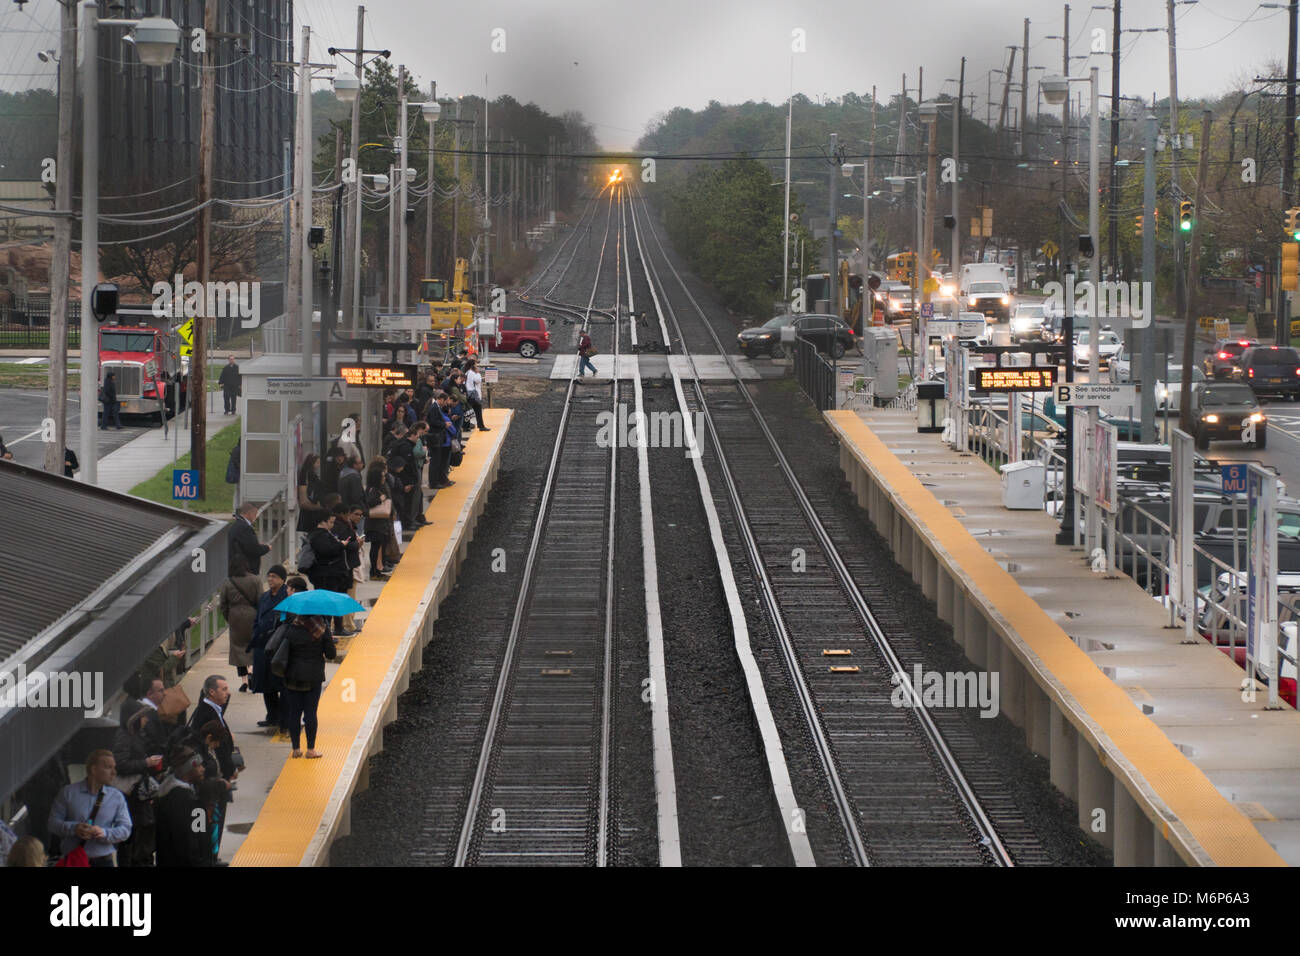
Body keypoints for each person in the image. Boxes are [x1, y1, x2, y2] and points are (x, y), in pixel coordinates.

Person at [47, 750, 132, 867]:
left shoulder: (116, 797)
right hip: (74, 860)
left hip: (103, 860)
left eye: (114, 767)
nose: (114, 772)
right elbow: (53, 823)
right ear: (93, 769)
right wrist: (74, 828)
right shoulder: (68, 793)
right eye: (108, 767)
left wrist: (104, 833)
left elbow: (126, 829)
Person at [111, 703, 165, 867]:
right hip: (132, 796)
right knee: (134, 836)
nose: (146, 720)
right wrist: (146, 762)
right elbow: (121, 764)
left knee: (141, 833)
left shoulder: (136, 735)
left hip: (137, 794)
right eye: (143, 716)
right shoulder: (125, 737)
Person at [280, 615, 336, 758]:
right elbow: (331, 654)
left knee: (294, 713)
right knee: (310, 712)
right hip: (313, 676)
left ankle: (296, 749)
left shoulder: (292, 627)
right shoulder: (321, 629)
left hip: (293, 676)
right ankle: (311, 749)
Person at [154, 747, 210, 867]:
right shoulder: (184, 799)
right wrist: (200, 861)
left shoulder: (171, 792)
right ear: (187, 770)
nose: (203, 769)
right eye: (198, 766)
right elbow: (190, 837)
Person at [249, 564, 289, 730]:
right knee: (265, 683)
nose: (270, 579)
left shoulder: (287, 596)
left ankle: (284, 717)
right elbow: (258, 618)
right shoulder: (264, 597)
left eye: (274, 576)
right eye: (269, 576)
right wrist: (256, 633)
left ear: (282, 579)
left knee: (280, 683)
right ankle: (272, 715)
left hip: (278, 646)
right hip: (262, 646)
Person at [219, 553, 261, 691]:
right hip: (252, 615)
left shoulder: (228, 582)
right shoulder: (255, 580)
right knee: (253, 645)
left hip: (235, 617)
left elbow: (223, 604)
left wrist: (229, 617)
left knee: (238, 648)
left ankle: (244, 681)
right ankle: (252, 670)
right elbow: (261, 600)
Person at [307, 511, 352, 633]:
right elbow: (326, 551)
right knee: (327, 605)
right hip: (325, 576)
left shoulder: (325, 534)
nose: (332, 525)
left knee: (334, 602)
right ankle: (326, 632)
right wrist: (341, 545)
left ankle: (338, 628)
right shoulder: (318, 536)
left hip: (331, 575)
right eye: (330, 522)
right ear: (322, 522)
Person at [364, 459, 393, 578]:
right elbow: (369, 503)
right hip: (375, 525)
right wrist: (380, 500)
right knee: (375, 548)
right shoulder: (374, 490)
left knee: (377, 547)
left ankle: (376, 570)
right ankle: (374, 571)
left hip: (378, 524)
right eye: (382, 476)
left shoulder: (375, 488)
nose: (384, 478)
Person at [228, 501, 270, 574]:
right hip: (244, 571)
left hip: (236, 569)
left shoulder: (235, 525)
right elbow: (254, 549)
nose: (256, 517)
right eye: (255, 514)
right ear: (249, 513)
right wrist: (267, 548)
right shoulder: (244, 528)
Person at [296, 453, 326, 538]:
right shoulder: (306, 475)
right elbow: (303, 499)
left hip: (312, 507)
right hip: (311, 509)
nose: (319, 465)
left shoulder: (309, 474)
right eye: (317, 462)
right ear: (312, 463)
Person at [464, 359, 490, 432]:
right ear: (473, 365)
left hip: (468, 393)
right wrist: (478, 373)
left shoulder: (467, 372)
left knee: (468, 411)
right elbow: (478, 380)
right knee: (478, 410)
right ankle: (481, 426)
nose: (477, 365)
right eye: (476, 364)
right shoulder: (472, 373)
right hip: (474, 394)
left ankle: (466, 426)